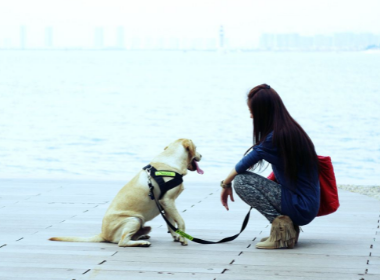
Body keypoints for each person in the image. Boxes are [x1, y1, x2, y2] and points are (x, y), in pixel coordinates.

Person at [220, 84, 320, 249]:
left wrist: (225, 184)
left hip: (300, 205)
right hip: (306, 203)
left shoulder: (274, 137)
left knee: (241, 181)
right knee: (243, 179)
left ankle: (282, 231)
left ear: (263, 112)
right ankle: (287, 231)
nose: (251, 116)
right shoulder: (290, 129)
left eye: (252, 112)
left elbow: (242, 165)